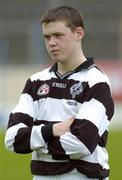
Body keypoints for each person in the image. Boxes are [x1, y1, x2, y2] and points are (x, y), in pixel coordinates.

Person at [5, 6, 114, 180]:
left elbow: (82, 144)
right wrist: (53, 130)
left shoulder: (97, 82)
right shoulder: (35, 82)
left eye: (58, 35)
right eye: (47, 37)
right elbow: (12, 139)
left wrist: (33, 141)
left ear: (79, 33)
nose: (51, 43)